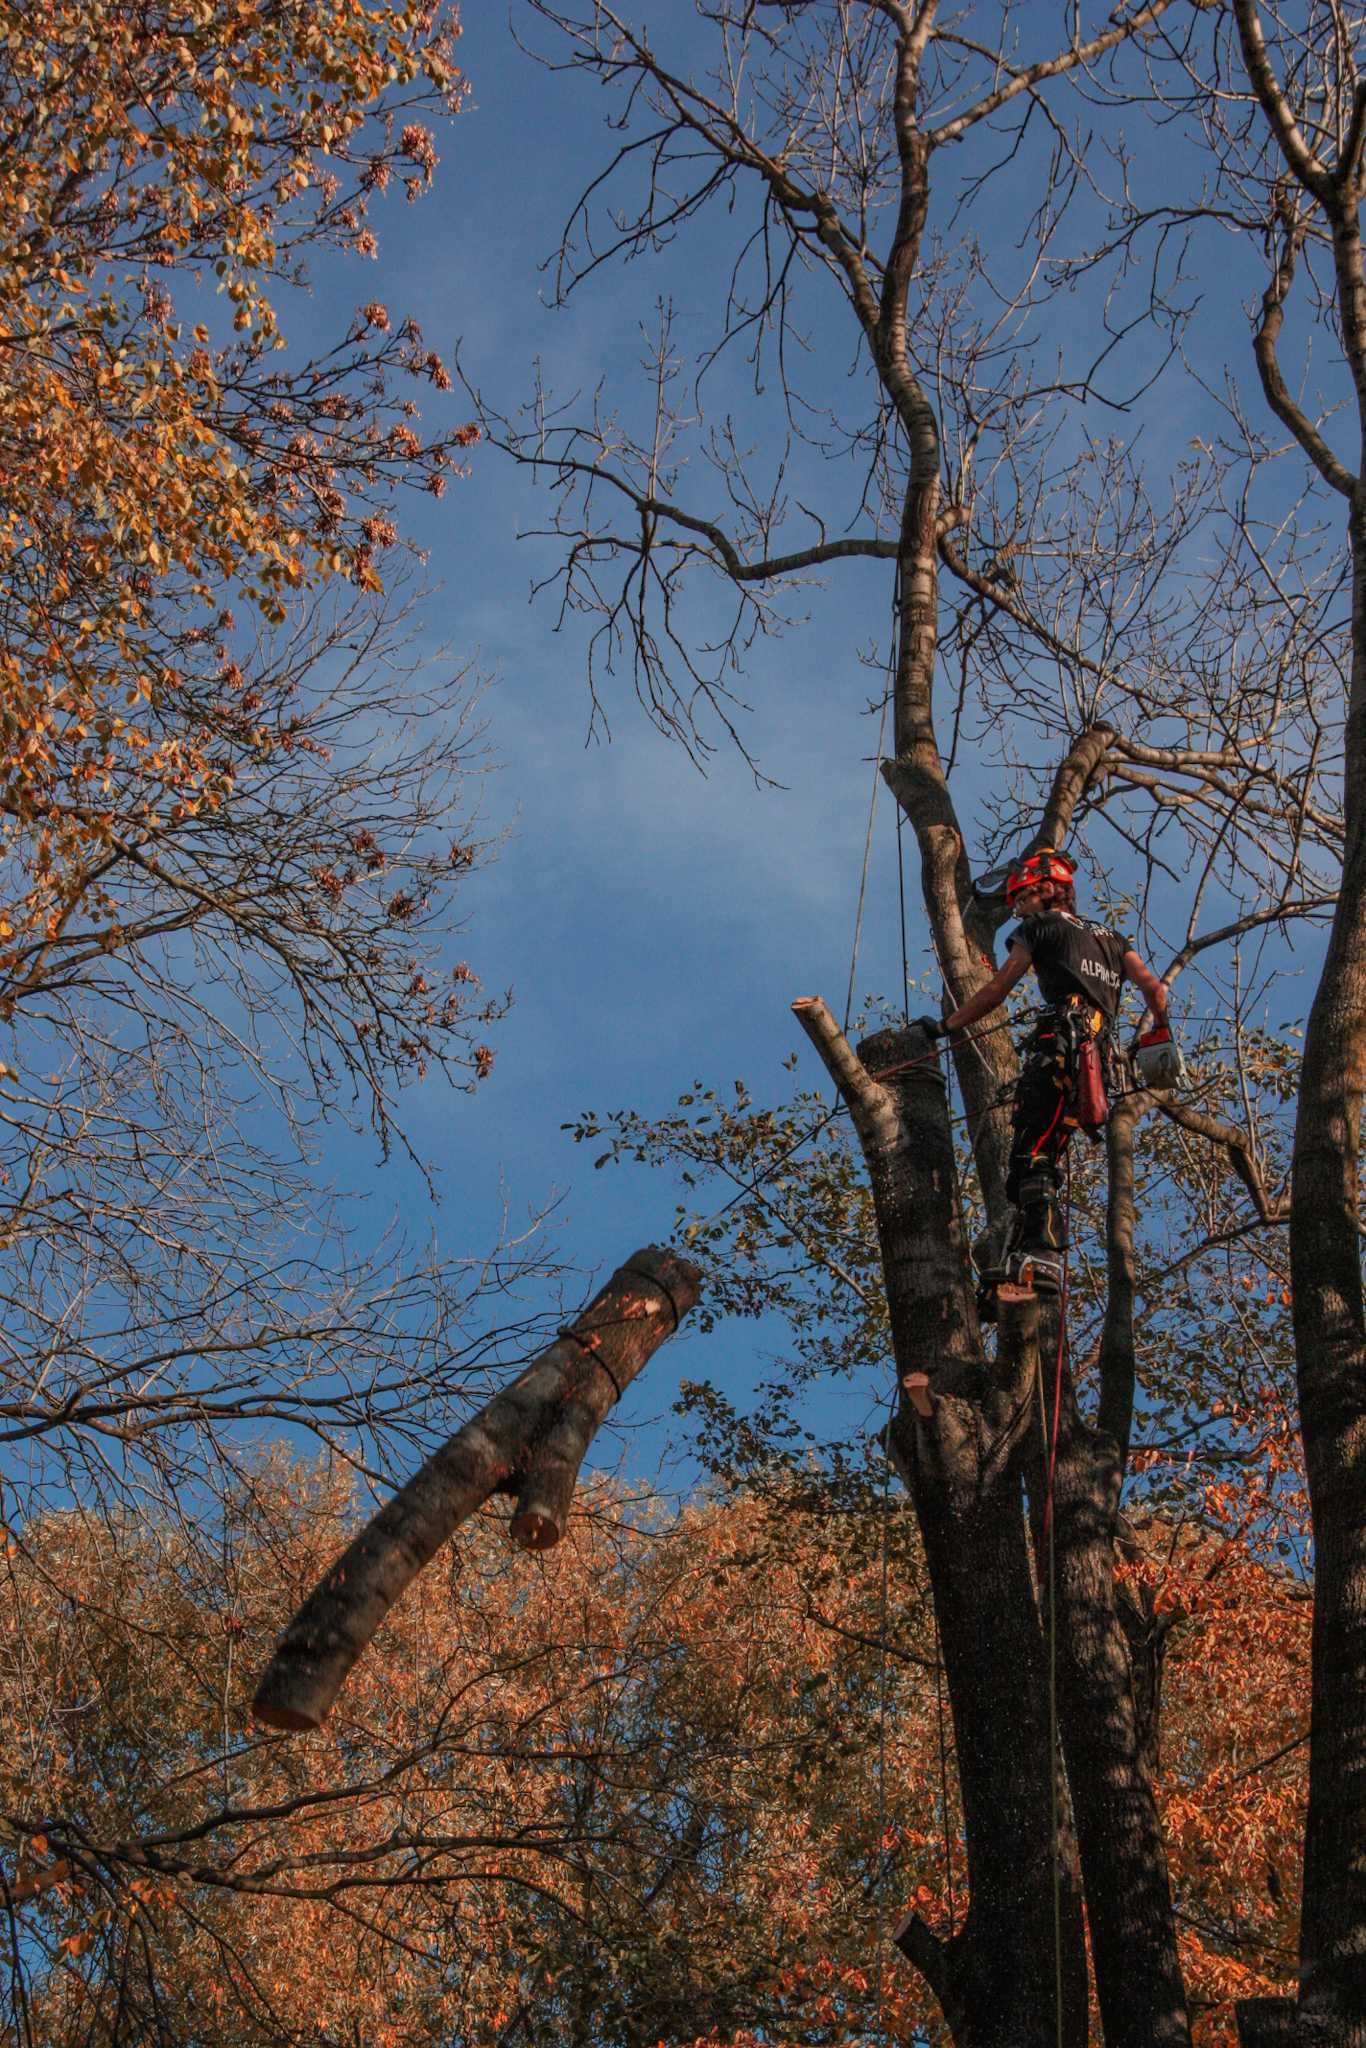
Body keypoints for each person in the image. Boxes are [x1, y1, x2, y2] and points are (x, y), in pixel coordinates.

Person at [916, 847, 1172, 1297]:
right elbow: (1155, 989)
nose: (1017, 908)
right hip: (1095, 1061)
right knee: (1043, 1154)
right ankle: (1022, 1261)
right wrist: (1158, 1037)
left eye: (1023, 898)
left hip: (1059, 1044)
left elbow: (997, 989)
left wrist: (946, 1026)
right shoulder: (1112, 937)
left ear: (1049, 891)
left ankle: (1045, 1256)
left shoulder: (1038, 927)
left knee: (1030, 1154)